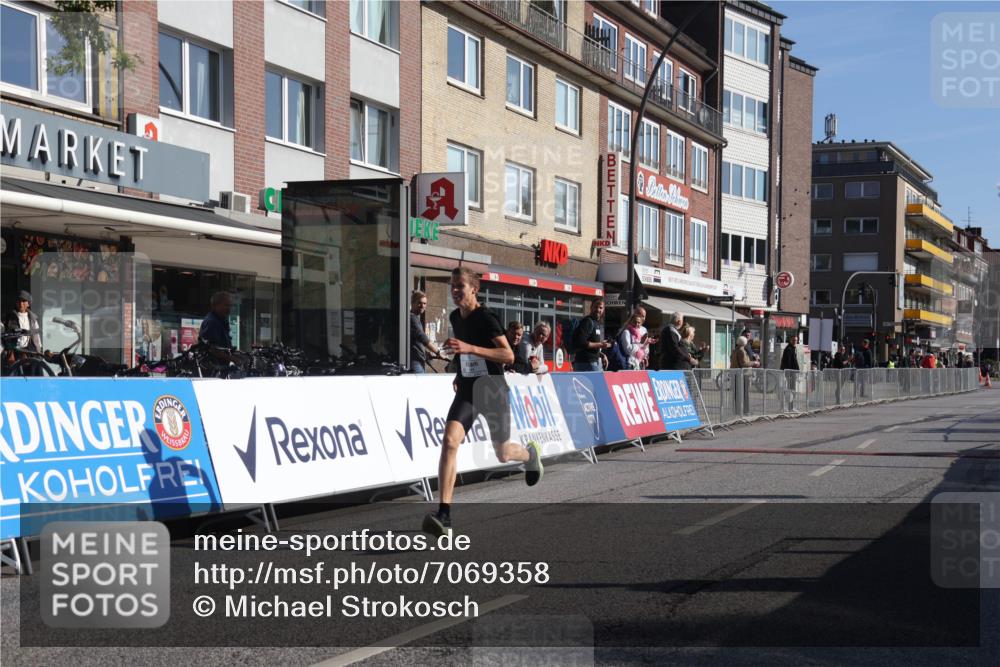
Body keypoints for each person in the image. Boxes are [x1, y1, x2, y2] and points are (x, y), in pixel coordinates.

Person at [422, 267, 543, 537]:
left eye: (460, 286)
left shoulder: (486, 317)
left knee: (503, 453)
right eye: (452, 286)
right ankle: (444, 514)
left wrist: (470, 349)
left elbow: (508, 355)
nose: (454, 291)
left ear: (473, 289)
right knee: (450, 440)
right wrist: (459, 367)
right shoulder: (455, 316)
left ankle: (530, 455)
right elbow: (462, 350)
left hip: (492, 390)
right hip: (468, 388)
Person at [572, 299, 611, 372]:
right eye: (596, 307)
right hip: (585, 363)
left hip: (592, 362)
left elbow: (589, 346)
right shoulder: (587, 322)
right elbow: (581, 342)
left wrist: (602, 355)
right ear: (591, 307)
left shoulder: (596, 322)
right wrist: (600, 345)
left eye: (600, 308)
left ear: (603, 310)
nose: (598, 309)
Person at [409, 291, 441, 373]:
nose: (422, 306)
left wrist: (425, 352)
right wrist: (438, 352)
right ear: (412, 303)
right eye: (419, 303)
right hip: (415, 363)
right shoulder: (412, 318)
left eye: (424, 303)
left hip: (419, 360)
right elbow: (422, 338)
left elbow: (415, 342)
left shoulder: (415, 318)